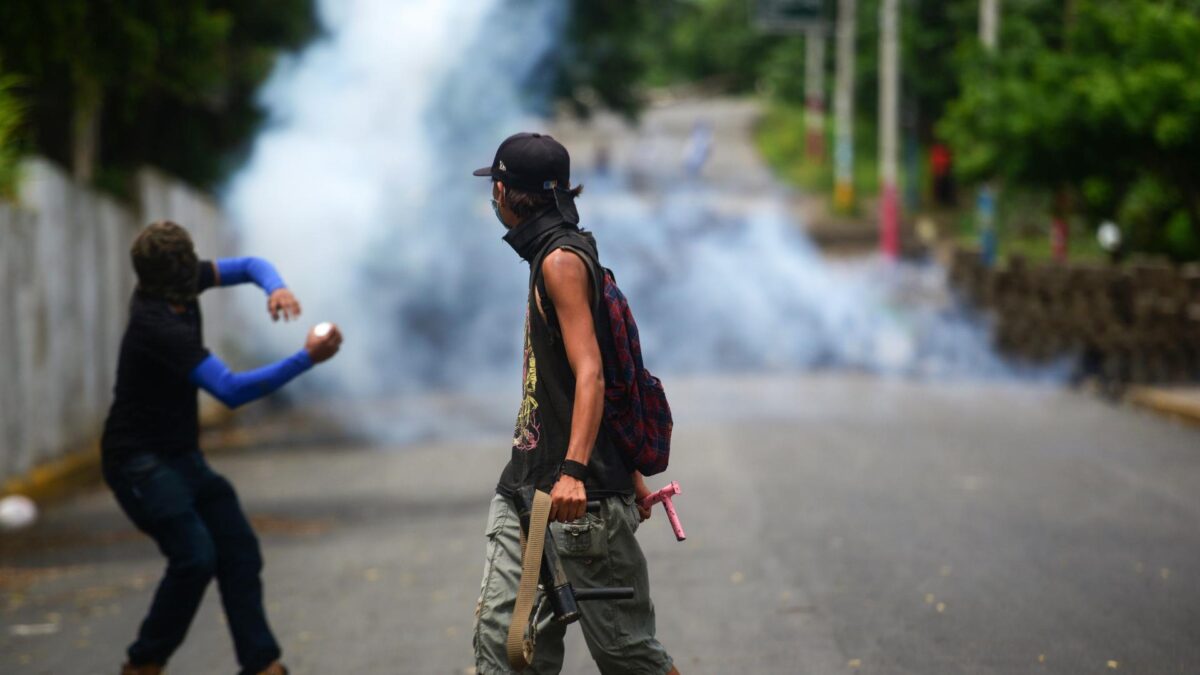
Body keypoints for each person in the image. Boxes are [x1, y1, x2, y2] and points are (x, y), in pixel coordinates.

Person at [470, 133, 679, 674]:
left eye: (493, 188)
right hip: (525, 487)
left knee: (630, 657)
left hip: (573, 499)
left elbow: (593, 372)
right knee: (507, 651)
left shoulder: (561, 260)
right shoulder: (552, 254)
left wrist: (575, 471)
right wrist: (626, 465)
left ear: (503, 191)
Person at [101, 221, 343, 675]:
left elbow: (251, 265)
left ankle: (261, 663)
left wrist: (277, 288)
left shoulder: (180, 277)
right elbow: (230, 390)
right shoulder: (155, 325)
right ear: (171, 276)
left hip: (178, 456)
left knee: (238, 549)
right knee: (194, 557)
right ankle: (144, 663)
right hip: (136, 462)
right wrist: (306, 358)